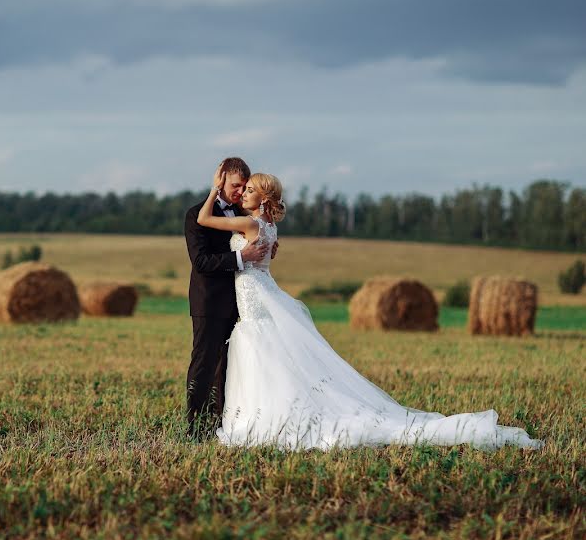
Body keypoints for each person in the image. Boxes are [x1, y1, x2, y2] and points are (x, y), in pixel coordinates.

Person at [195, 165, 545, 451]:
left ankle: (262, 421)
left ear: (262, 197)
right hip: (259, 292)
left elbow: (204, 221)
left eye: (250, 189)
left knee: (262, 355)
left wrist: (213, 191)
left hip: (255, 297)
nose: (244, 194)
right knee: (272, 357)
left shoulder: (252, 223)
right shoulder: (268, 227)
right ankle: (261, 417)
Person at [183, 157, 274, 440]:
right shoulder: (196, 214)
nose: (239, 192)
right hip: (209, 303)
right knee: (204, 364)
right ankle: (195, 429)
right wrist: (240, 257)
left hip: (242, 302)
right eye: (235, 186)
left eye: (243, 187)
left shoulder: (243, 212)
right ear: (220, 181)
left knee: (230, 369)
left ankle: (222, 426)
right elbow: (201, 261)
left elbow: (261, 233)